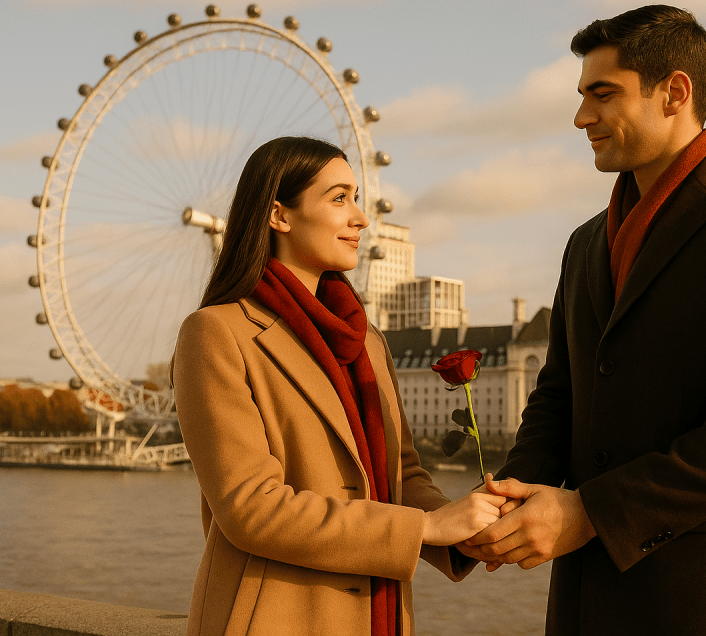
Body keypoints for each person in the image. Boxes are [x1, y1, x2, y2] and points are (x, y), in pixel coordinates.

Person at [458, 5, 706, 635]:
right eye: (582, 95)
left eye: (603, 94)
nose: (582, 117)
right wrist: (505, 500)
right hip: (587, 599)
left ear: (675, 93)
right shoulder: (584, 243)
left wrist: (592, 513)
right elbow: (560, 395)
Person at [172, 136, 506, 636]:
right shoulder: (218, 333)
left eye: (357, 197)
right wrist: (427, 529)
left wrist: (462, 529)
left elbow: (403, 476)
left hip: (380, 616)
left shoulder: (368, 342)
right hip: (276, 619)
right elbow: (251, 508)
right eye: (339, 198)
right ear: (279, 215)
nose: (361, 218)